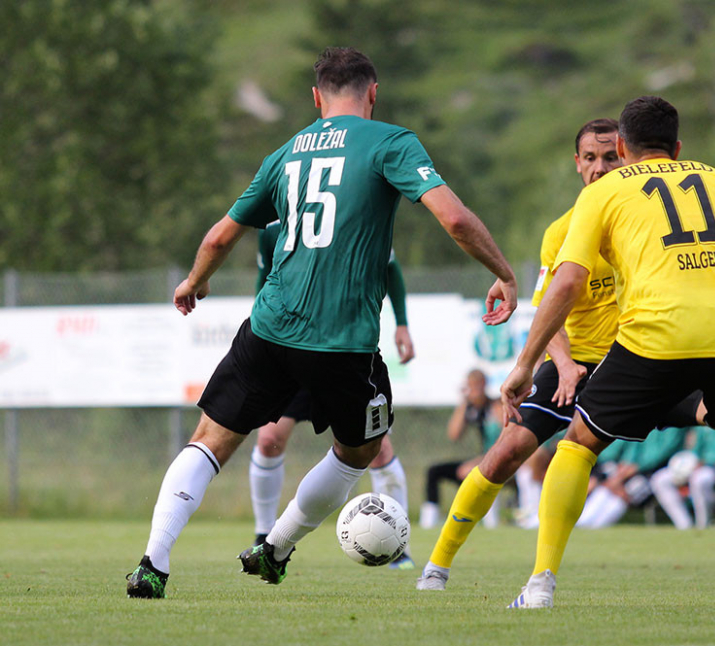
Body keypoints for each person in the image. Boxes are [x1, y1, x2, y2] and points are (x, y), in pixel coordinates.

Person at [126, 47, 517, 599]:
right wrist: (502, 271)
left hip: (270, 326)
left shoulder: (285, 152)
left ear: (316, 98)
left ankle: (153, 562)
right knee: (361, 449)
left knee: (211, 441)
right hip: (342, 341)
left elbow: (219, 236)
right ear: (373, 93)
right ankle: (276, 547)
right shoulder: (391, 142)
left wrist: (196, 280)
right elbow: (452, 217)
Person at [415, 117, 715, 591]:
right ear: (576, 164)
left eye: (609, 156)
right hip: (579, 363)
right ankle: (437, 567)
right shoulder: (563, 230)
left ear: (624, 153)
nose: (600, 168)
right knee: (506, 453)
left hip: (646, 358)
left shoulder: (635, 208)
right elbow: (552, 302)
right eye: (590, 158)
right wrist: (560, 363)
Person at [249, 223, 416, 569]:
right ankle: (264, 534)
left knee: (377, 447)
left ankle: (400, 544)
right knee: (268, 439)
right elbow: (265, 281)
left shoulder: (355, 211)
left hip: (341, 351)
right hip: (291, 349)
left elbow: (391, 268)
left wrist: (402, 323)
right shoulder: (272, 227)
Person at [420, 369, 503, 528]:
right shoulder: (470, 408)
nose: (475, 390)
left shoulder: (495, 406)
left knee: (472, 471)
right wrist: (464, 402)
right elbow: (454, 435)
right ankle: (428, 521)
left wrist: (481, 460)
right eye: (471, 386)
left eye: (477, 385)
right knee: (434, 471)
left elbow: (504, 437)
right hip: (480, 459)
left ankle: (489, 522)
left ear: (484, 385)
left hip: (498, 460)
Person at [576, 427, 686, 529]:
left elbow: (663, 453)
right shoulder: (645, 422)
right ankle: (583, 523)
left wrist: (636, 468)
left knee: (630, 490)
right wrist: (622, 473)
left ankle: (597, 527)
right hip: (630, 469)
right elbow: (633, 449)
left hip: (653, 472)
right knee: (609, 481)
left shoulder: (673, 427)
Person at [649, 427, 715, 530]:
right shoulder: (698, 424)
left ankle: (703, 525)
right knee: (660, 479)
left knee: (700, 480)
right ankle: (684, 525)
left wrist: (704, 462)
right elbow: (691, 449)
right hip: (692, 465)